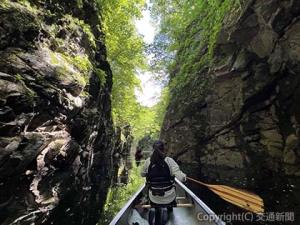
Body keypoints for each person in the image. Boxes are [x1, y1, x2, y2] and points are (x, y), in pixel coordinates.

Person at [140, 140, 186, 206]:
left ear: (153, 149)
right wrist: (184, 177)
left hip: (154, 197)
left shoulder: (148, 161)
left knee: (148, 189)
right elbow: (181, 178)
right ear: (163, 149)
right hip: (169, 197)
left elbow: (142, 174)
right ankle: (170, 210)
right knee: (173, 189)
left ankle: (153, 209)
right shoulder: (169, 160)